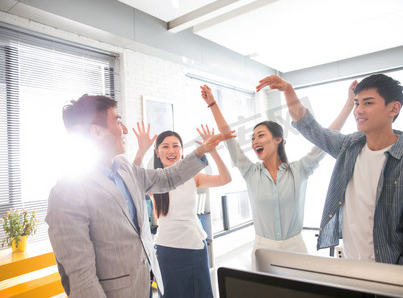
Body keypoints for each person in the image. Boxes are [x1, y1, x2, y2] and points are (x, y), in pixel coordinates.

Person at [46, 94, 234, 298]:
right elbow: (81, 276)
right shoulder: (67, 191)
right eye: (118, 121)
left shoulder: (126, 168)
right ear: (96, 131)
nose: (125, 129)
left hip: (145, 286)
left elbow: (166, 179)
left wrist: (203, 150)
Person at [257, 74, 403, 268]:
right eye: (356, 103)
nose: (359, 111)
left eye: (368, 103)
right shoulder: (349, 147)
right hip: (351, 269)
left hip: (389, 276)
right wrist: (289, 91)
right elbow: (310, 128)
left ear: (394, 108)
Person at [200, 83, 354, 268]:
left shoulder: (300, 170)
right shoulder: (250, 172)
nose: (255, 141)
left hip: (295, 248)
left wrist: (350, 103)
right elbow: (230, 138)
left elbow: (327, 137)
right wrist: (213, 104)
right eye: (253, 138)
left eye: (261, 135)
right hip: (263, 249)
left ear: (278, 139)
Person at [133, 124, 231, 298]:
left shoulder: (193, 176)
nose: (171, 150)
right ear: (157, 152)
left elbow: (225, 178)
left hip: (195, 247)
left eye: (176, 146)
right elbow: (131, 180)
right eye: (165, 146)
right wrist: (141, 150)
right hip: (167, 250)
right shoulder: (154, 179)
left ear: (182, 150)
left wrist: (212, 150)